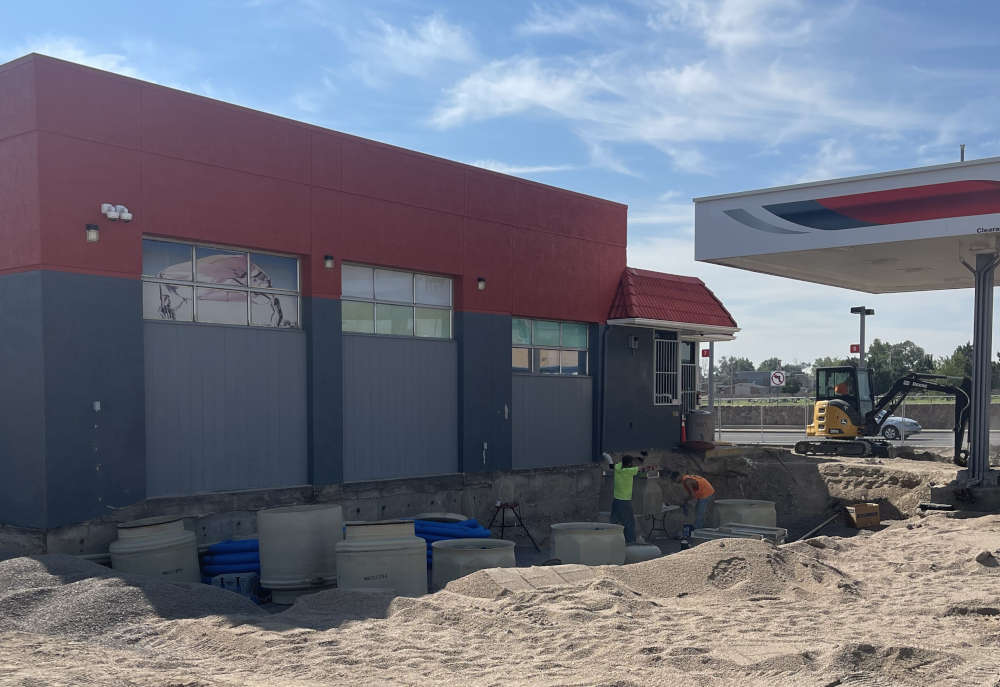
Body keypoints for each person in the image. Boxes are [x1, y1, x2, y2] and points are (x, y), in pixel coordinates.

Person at [603, 452, 655, 544]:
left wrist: (605, 455)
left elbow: (611, 465)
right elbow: (641, 469)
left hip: (616, 501)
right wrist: (650, 466)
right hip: (624, 502)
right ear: (630, 464)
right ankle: (631, 543)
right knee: (629, 523)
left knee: (614, 522)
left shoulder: (618, 467)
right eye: (632, 462)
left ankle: (608, 541)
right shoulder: (629, 471)